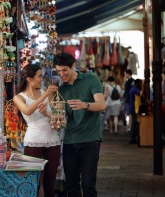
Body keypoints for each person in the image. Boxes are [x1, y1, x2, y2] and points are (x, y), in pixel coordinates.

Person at [53, 52, 106, 197]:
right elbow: (62, 117)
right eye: (58, 71)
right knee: (71, 185)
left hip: (90, 139)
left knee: (88, 184)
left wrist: (84, 105)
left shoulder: (91, 79)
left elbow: (101, 105)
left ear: (73, 66)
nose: (61, 74)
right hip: (70, 141)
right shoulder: (61, 90)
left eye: (64, 70)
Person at [13, 64, 61, 197]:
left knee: (50, 182)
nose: (42, 79)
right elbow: (27, 110)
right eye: (39, 76)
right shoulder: (19, 97)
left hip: (53, 141)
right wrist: (45, 94)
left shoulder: (48, 94)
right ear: (29, 78)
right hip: (33, 142)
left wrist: (47, 114)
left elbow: (57, 116)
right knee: (32, 181)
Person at [128, 79, 142, 144]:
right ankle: (132, 137)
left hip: (133, 107)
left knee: (134, 123)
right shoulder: (135, 89)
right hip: (134, 108)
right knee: (134, 123)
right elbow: (140, 93)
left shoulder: (132, 89)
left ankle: (132, 137)